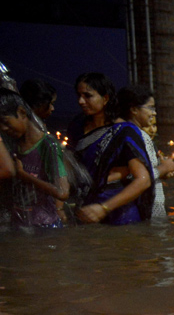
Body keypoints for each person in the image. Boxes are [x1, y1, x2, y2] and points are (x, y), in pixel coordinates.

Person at [69, 72, 154, 225]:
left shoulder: (124, 131)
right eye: (78, 95)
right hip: (86, 209)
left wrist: (104, 208)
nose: (81, 101)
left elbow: (143, 180)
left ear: (105, 98)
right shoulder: (77, 127)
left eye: (88, 96)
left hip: (120, 213)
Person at [0, 90, 69, 228]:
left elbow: (62, 192)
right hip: (20, 225)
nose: (3, 128)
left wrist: (24, 176)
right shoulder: (13, 145)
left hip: (46, 226)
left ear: (22, 113)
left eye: (5, 122)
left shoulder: (48, 145)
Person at [117, 85, 174, 219]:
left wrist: (166, 169)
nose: (154, 113)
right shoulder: (134, 136)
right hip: (143, 209)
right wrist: (164, 168)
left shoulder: (132, 133)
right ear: (134, 109)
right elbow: (136, 177)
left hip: (146, 208)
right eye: (150, 108)